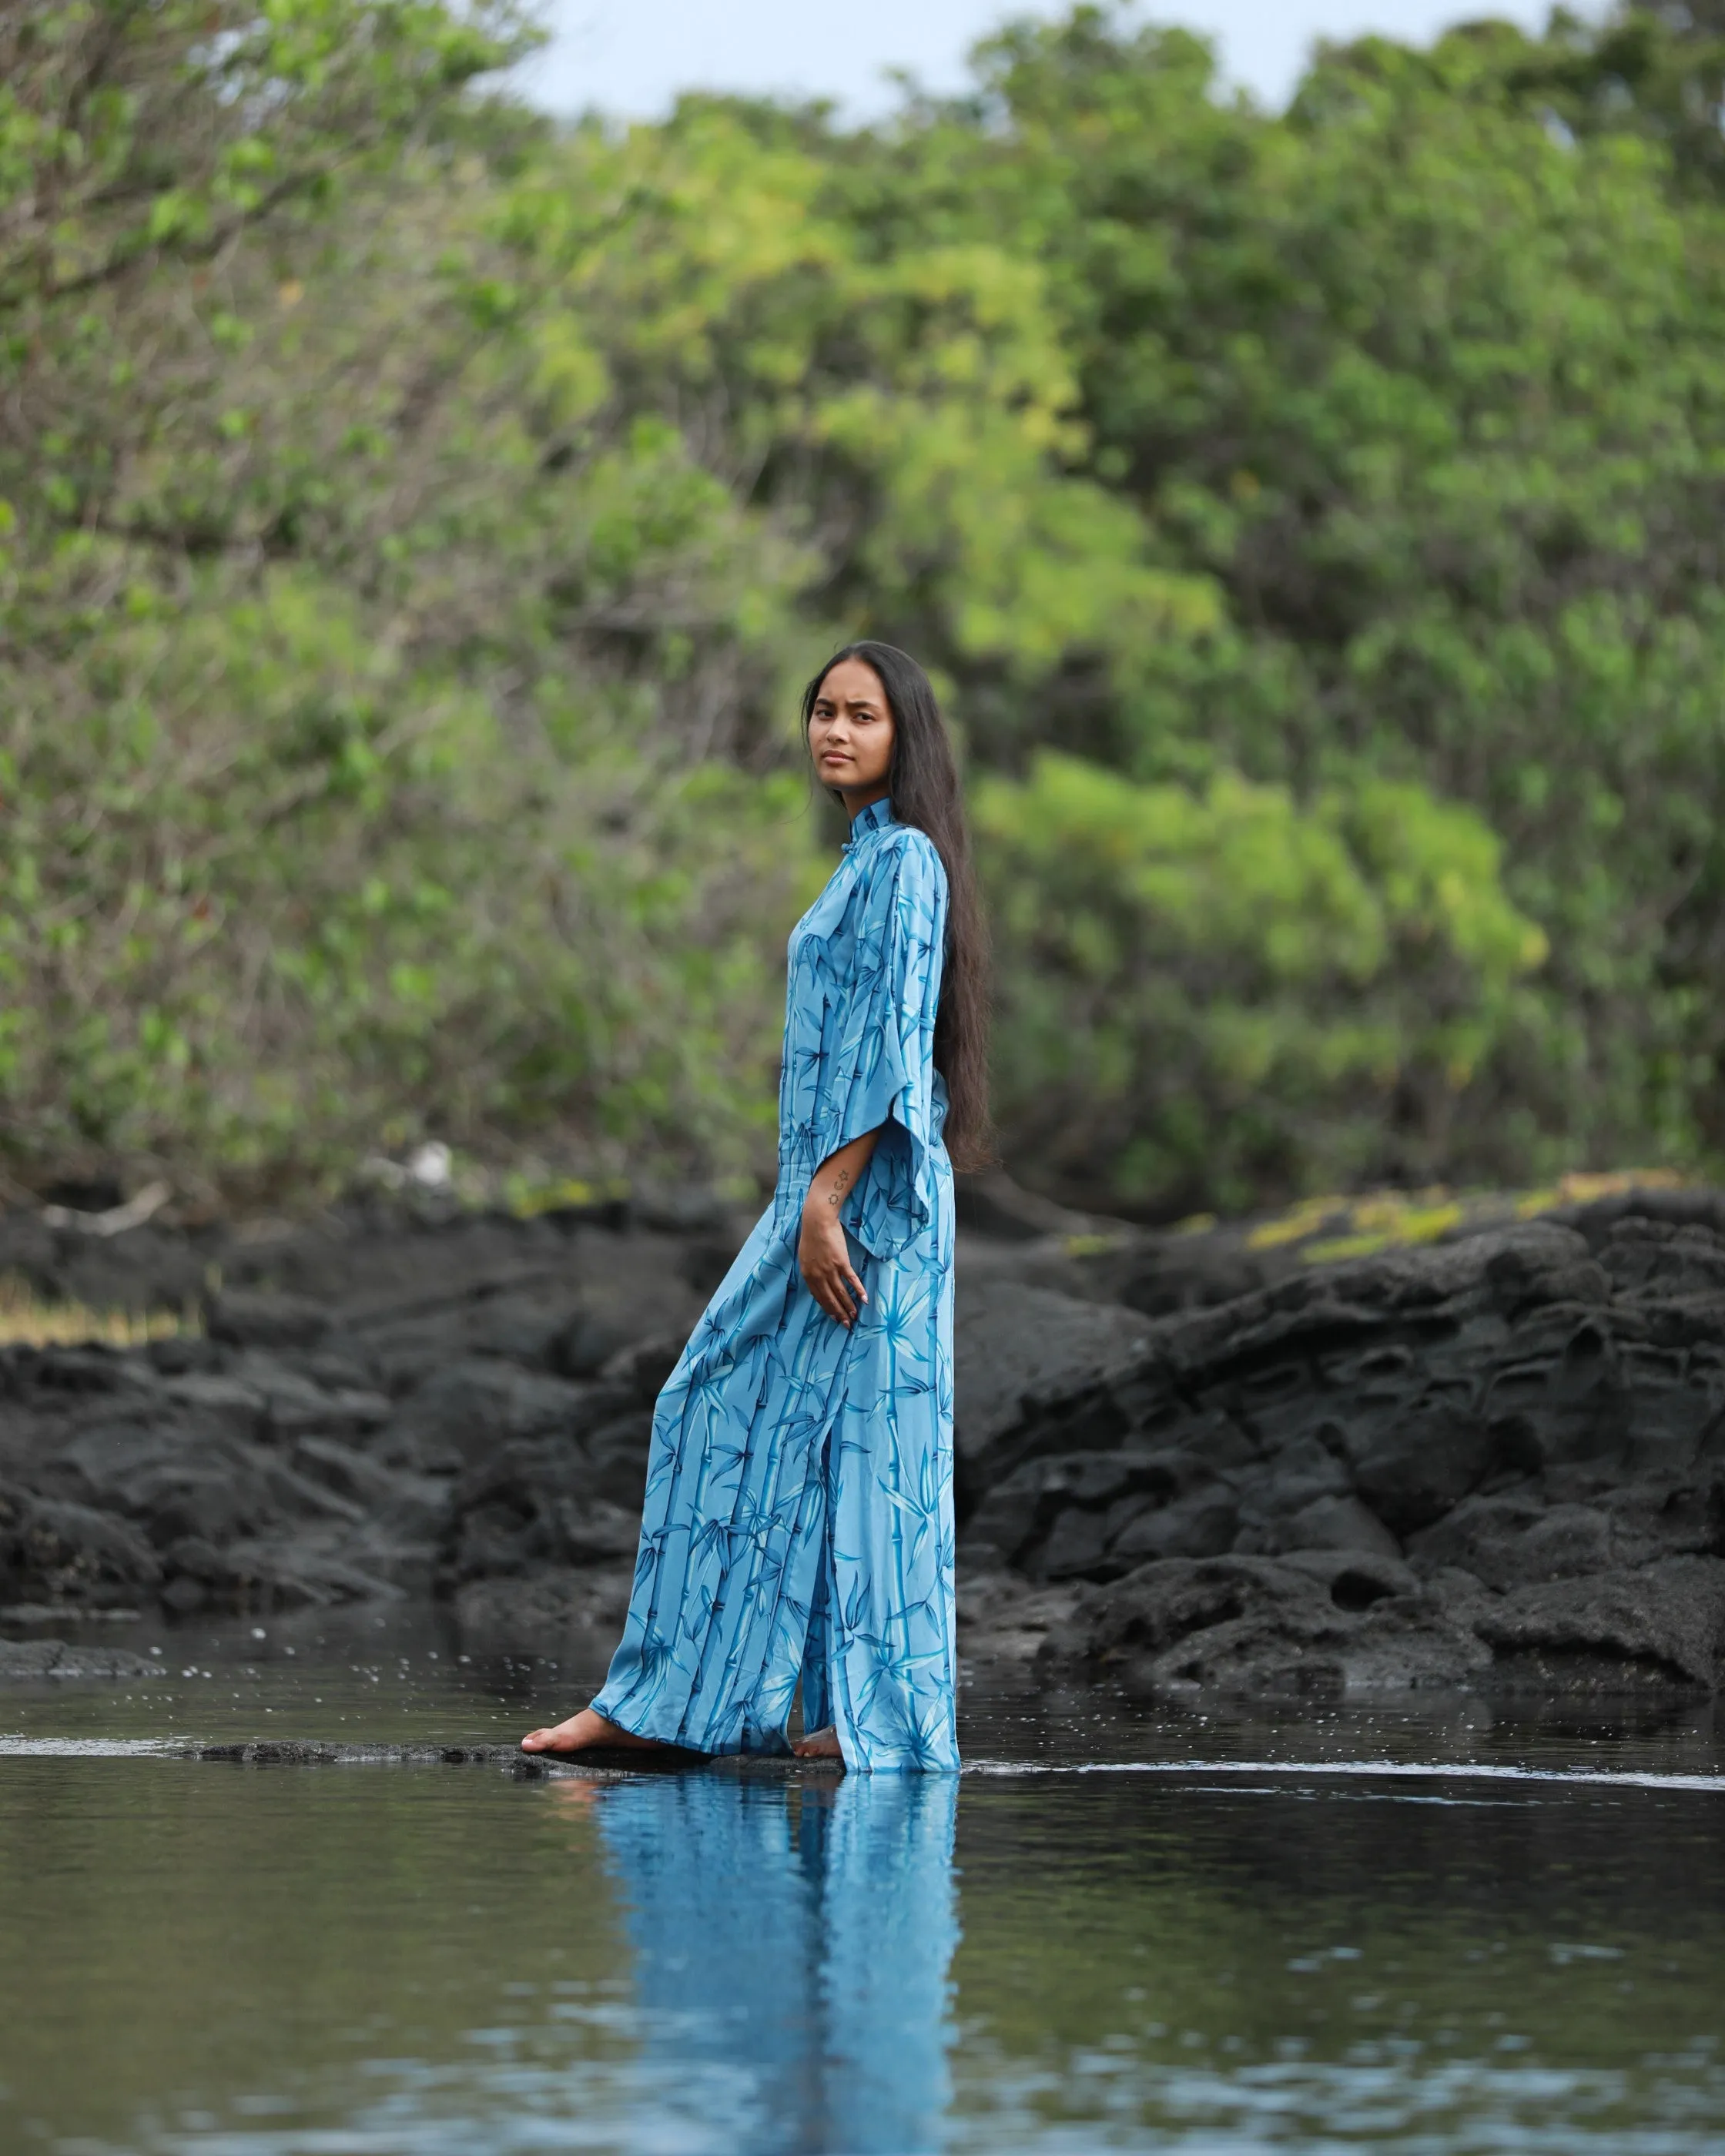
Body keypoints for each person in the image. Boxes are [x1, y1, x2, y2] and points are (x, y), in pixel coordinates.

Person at [521, 641, 990, 1772]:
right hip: (820, 1196)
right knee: (817, 1451)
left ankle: (726, 1709)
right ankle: (802, 1714)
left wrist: (825, 1201)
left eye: (860, 716)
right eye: (822, 712)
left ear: (904, 735)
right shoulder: (864, 859)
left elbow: (889, 1045)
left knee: (767, 1425)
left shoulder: (909, 863)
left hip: (862, 1206)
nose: (834, 731)